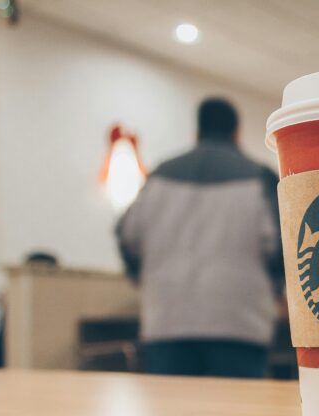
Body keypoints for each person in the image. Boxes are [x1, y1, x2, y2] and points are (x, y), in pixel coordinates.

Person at [116, 97, 282, 378]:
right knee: (237, 406)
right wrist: (277, 288)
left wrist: (138, 274)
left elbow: (127, 236)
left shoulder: (157, 178)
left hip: (167, 321)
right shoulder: (259, 177)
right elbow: (280, 247)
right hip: (239, 324)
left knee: (171, 405)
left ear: (196, 132)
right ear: (236, 133)